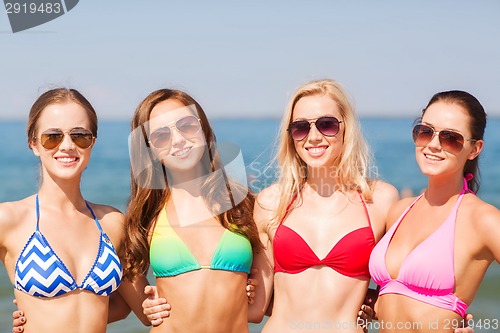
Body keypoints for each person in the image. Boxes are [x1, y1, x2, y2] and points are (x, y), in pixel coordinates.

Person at [251, 79, 399, 332]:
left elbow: (407, 283)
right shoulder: (271, 202)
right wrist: (169, 304)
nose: (314, 137)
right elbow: (255, 308)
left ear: (346, 128)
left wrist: (449, 319)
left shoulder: (380, 200)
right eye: (300, 128)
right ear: (291, 136)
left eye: (326, 124)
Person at [0, 88, 153, 333]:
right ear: (33, 143)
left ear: (92, 142)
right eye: (53, 136)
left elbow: (138, 310)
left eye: (80, 135)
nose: (68, 146)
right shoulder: (9, 219)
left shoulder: (113, 222)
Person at [123, 88, 270, 332]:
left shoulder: (244, 205)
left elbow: (259, 310)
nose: (178, 139)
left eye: (187, 125)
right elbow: (129, 277)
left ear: (203, 129)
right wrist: (146, 306)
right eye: (161, 136)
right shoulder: (145, 217)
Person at [369, 90, 500, 332]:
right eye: (426, 131)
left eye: (451, 138)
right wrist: (370, 305)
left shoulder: (482, 219)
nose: (433, 144)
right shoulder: (399, 211)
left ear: (474, 149)